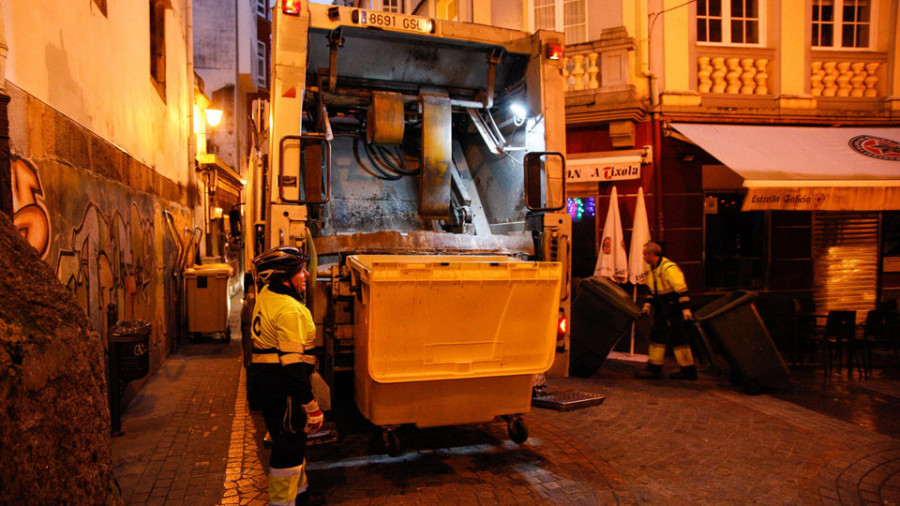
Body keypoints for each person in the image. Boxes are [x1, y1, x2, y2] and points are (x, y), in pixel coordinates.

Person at [248, 246, 324, 505]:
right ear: (284, 278)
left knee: (291, 442)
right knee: (288, 447)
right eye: (299, 271)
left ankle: (299, 496)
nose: (305, 275)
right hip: (285, 390)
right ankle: (282, 502)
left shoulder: (267, 295)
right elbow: (293, 366)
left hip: (268, 385)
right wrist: (311, 405)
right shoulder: (289, 310)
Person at [636, 242, 698, 380]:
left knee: (675, 337)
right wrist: (647, 306)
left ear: (652, 254)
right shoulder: (654, 269)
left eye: (645, 253)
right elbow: (653, 292)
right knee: (661, 336)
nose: (643, 256)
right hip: (663, 307)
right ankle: (658, 368)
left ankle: (685, 370)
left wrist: (686, 309)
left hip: (673, 307)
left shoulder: (668, 268)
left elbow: (681, 289)